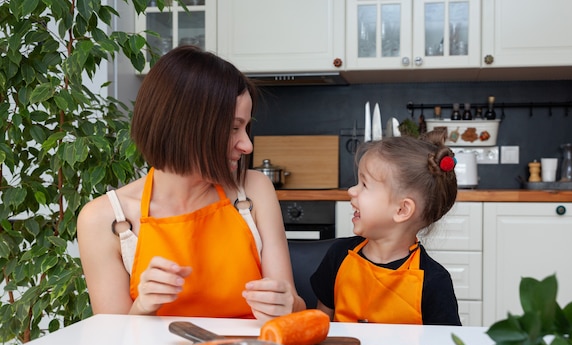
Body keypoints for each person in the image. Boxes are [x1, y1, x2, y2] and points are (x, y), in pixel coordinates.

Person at [77, 45, 305, 322]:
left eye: (245, 128)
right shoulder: (105, 219)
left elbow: (294, 307)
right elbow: (113, 344)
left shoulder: (254, 190)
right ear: (186, 128)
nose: (246, 145)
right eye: (233, 128)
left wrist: (286, 304)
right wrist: (143, 307)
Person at [310, 132, 461, 325]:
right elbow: (321, 329)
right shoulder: (338, 256)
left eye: (364, 185)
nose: (351, 191)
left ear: (402, 209)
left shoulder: (434, 282)